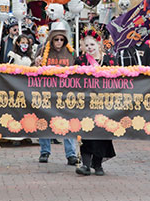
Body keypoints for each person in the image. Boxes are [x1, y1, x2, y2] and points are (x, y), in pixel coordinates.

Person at [34, 22, 78, 165]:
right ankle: (44, 151)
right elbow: (31, 71)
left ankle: (71, 154)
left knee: (68, 123)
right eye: (56, 39)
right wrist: (36, 63)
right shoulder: (42, 50)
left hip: (66, 93)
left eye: (61, 39)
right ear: (51, 39)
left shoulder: (71, 52)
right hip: (47, 92)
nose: (59, 42)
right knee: (44, 121)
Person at [74, 28, 116, 176]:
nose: (90, 48)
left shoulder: (110, 59)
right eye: (87, 45)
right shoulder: (80, 61)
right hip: (87, 103)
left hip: (105, 103)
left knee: (102, 134)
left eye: (92, 44)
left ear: (99, 44)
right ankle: (85, 164)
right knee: (87, 132)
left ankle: (97, 164)